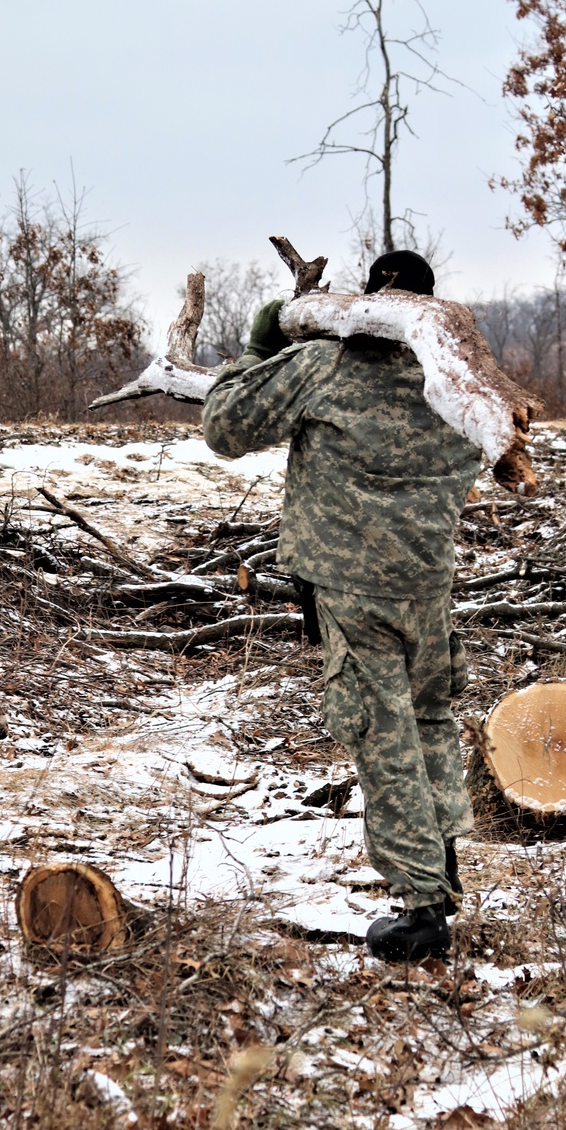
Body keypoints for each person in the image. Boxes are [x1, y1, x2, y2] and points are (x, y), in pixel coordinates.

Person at [201, 250, 481, 962]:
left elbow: (224, 427)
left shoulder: (325, 368)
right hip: (427, 586)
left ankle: (422, 912)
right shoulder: (461, 385)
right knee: (428, 722)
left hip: (353, 593)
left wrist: (263, 345)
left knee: (383, 736)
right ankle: (440, 865)